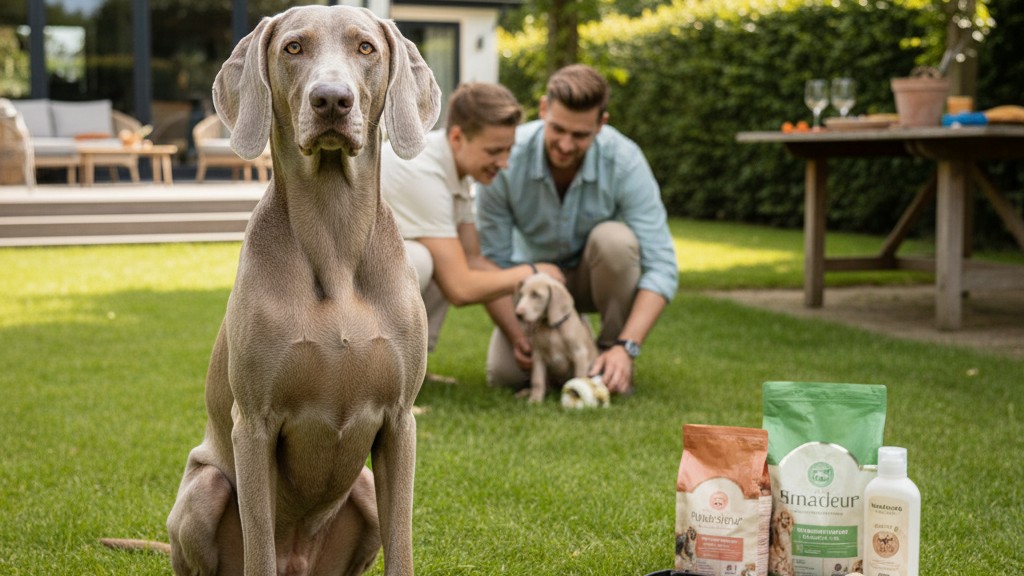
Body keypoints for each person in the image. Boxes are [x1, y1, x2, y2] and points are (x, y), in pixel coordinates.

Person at [476, 64, 678, 395]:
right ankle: (558, 349)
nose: (566, 145)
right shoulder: (506, 156)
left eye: (581, 135)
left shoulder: (625, 161)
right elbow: (490, 259)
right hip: (535, 284)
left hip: (594, 275)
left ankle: (608, 357)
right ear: (543, 110)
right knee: (506, 375)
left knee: (616, 241)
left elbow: (662, 267)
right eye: (557, 129)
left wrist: (627, 347)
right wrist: (517, 334)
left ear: (601, 124)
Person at [381, 82, 562, 354]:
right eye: (493, 152)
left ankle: (413, 365)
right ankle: (376, 367)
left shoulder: (458, 171)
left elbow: (473, 261)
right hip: (333, 276)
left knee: (448, 257)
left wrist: (518, 338)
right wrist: (535, 272)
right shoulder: (421, 170)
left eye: (508, 150)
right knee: (422, 259)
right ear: (457, 138)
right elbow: (461, 288)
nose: (504, 163)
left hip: (369, 267)